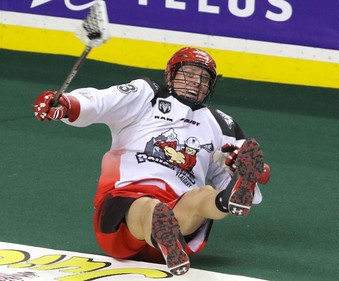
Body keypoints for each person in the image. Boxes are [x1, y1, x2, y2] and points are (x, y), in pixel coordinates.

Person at [33, 47, 270, 276]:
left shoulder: (220, 124)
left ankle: (217, 204)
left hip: (178, 216)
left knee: (202, 195)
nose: (196, 82)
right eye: (189, 74)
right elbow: (101, 101)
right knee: (150, 208)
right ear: (171, 74)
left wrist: (251, 173)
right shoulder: (147, 95)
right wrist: (67, 105)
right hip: (123, 208)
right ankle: (161, 228)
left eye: (204, 79)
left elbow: (240, 180)